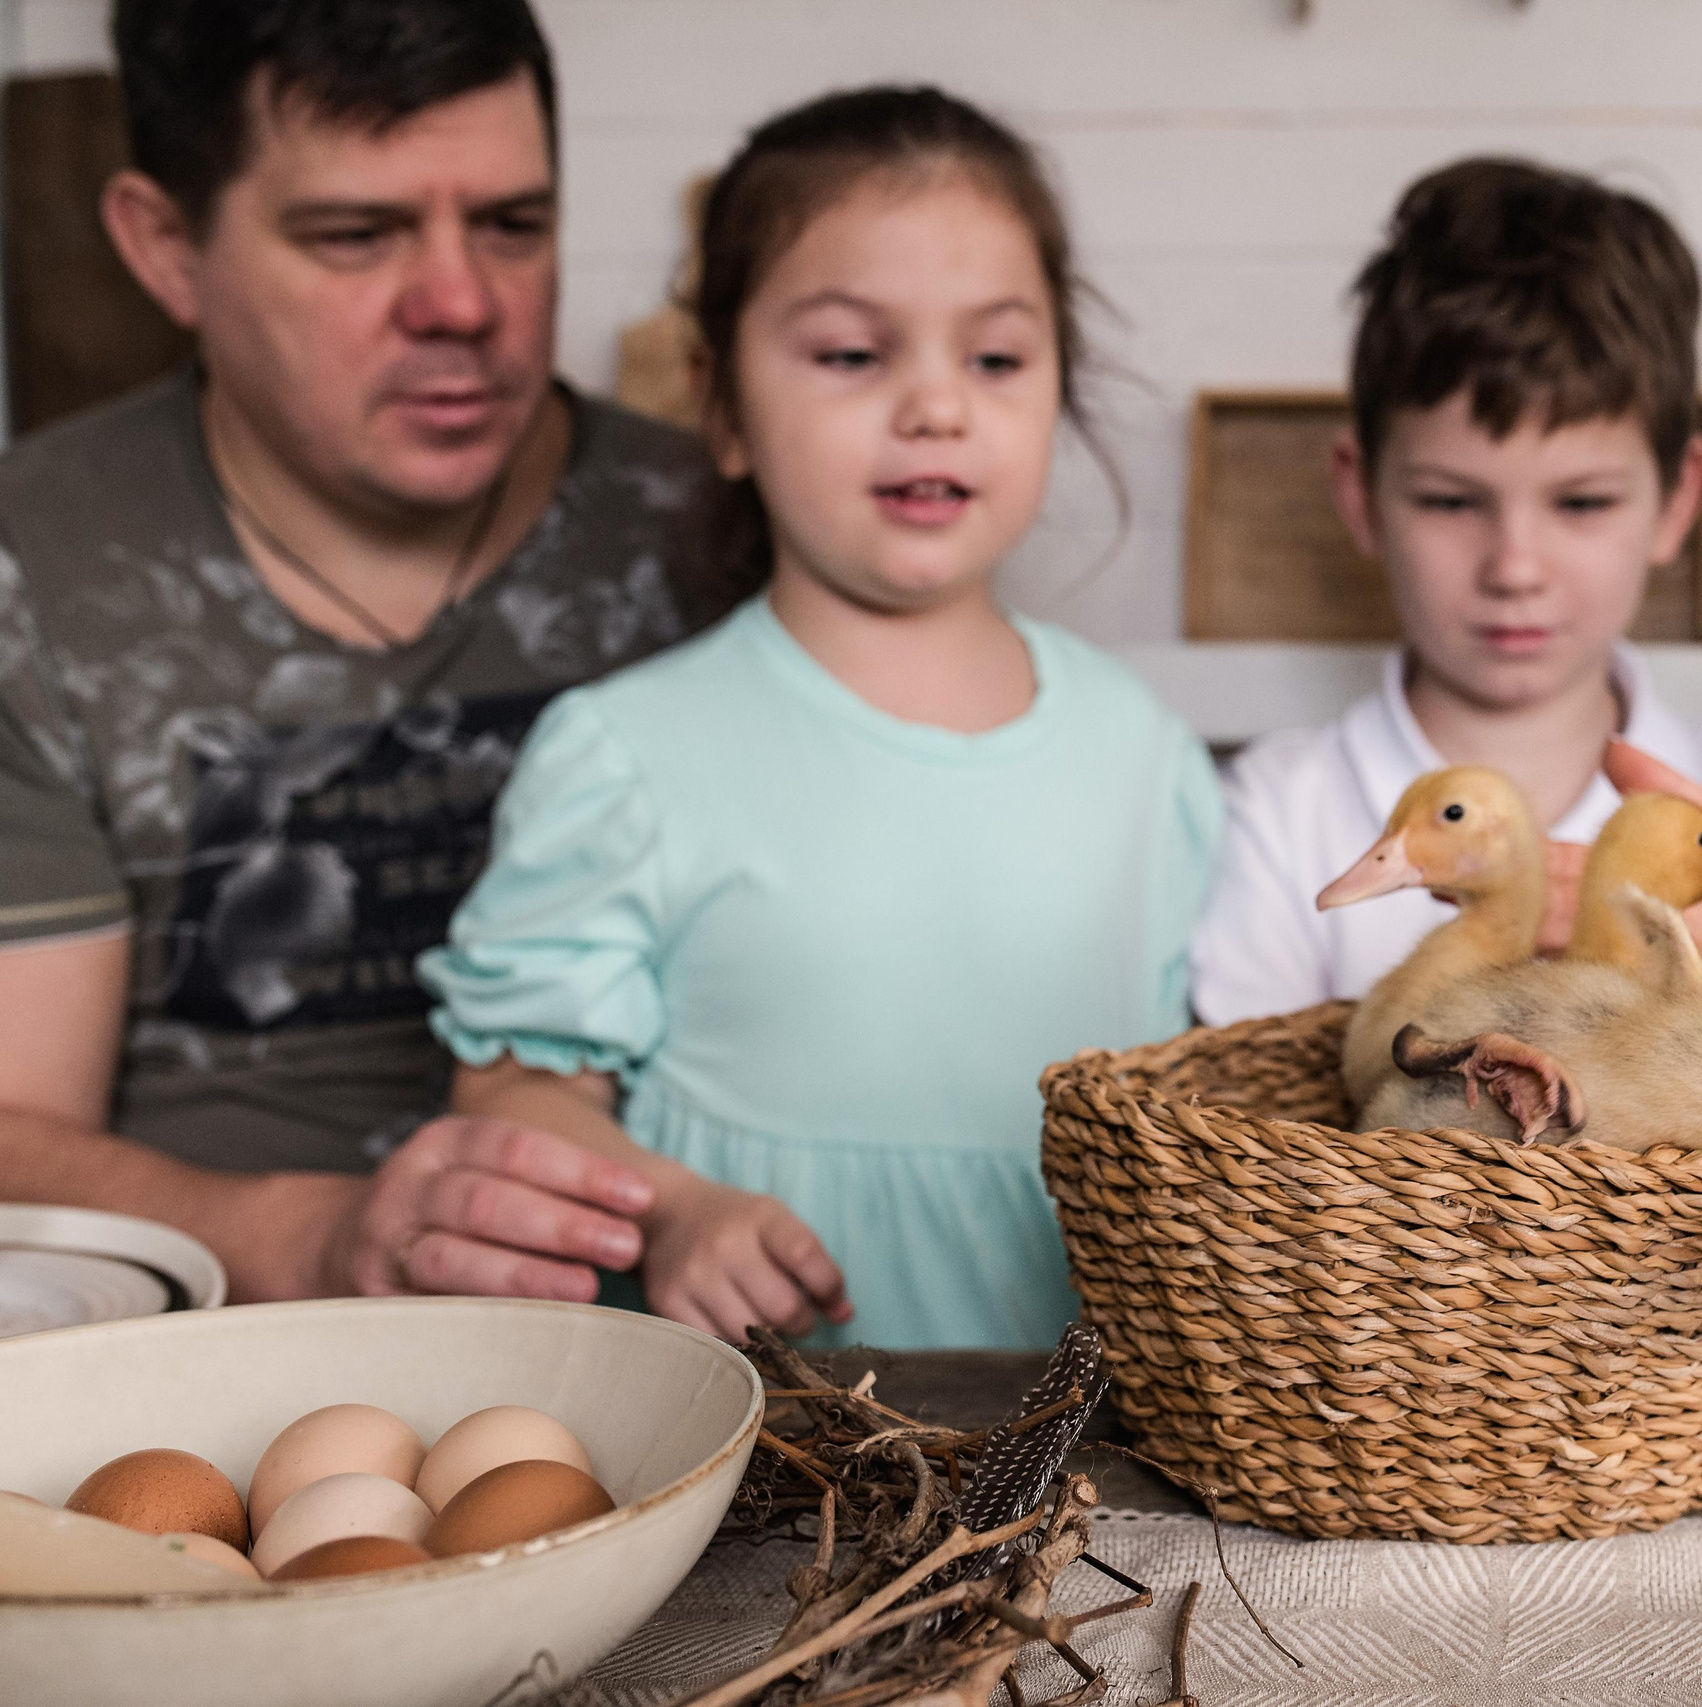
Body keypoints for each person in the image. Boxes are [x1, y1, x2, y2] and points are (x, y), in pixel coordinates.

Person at [418, 87, 1221, 1351]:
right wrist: (676, 1213)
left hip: (1097, 1463)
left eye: (996, 358)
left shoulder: (1146, 757)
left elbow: (1209, 1106)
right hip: (767, 1459)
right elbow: (514, 1092)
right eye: (853, 354)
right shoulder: (628, 756)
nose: (935, 407)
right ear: (723, 406)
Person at [0, 0, 707, 1307]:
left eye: (515, 225)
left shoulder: (724, 535)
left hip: (698, 1350)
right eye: (355, 234)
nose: (462, 303)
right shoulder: (30, 572)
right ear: (166, 248)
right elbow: (9, 1126)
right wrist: (300, 1237)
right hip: (206, 1367)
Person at [1190, 158, 1702, 1027]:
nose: (1514, 567)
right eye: (1451, 500)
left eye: (1581, 502)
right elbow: (1240, 1116)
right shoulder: (1282, 814)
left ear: (1679, 499)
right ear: (1360, 494)